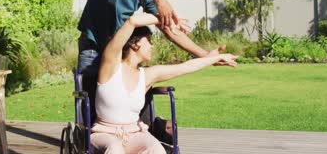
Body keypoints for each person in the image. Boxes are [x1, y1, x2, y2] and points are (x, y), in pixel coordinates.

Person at [77, 0, 235, 124]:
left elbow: (169, 28)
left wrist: (205, 55)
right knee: (90, 115)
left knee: (129, 106)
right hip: (93, 47)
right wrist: (161, 1)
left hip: (120, 54)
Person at [91, 13, 238, 153]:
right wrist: (166, 19)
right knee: (115, 148)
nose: (152, 46)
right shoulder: (110, 65)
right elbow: (132, 21)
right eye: (149, 41)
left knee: (156, 148)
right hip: (105, 134)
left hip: (134, 134)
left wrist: (213, 59)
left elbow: (186, 67)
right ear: (135, 44)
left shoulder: (147, 75)